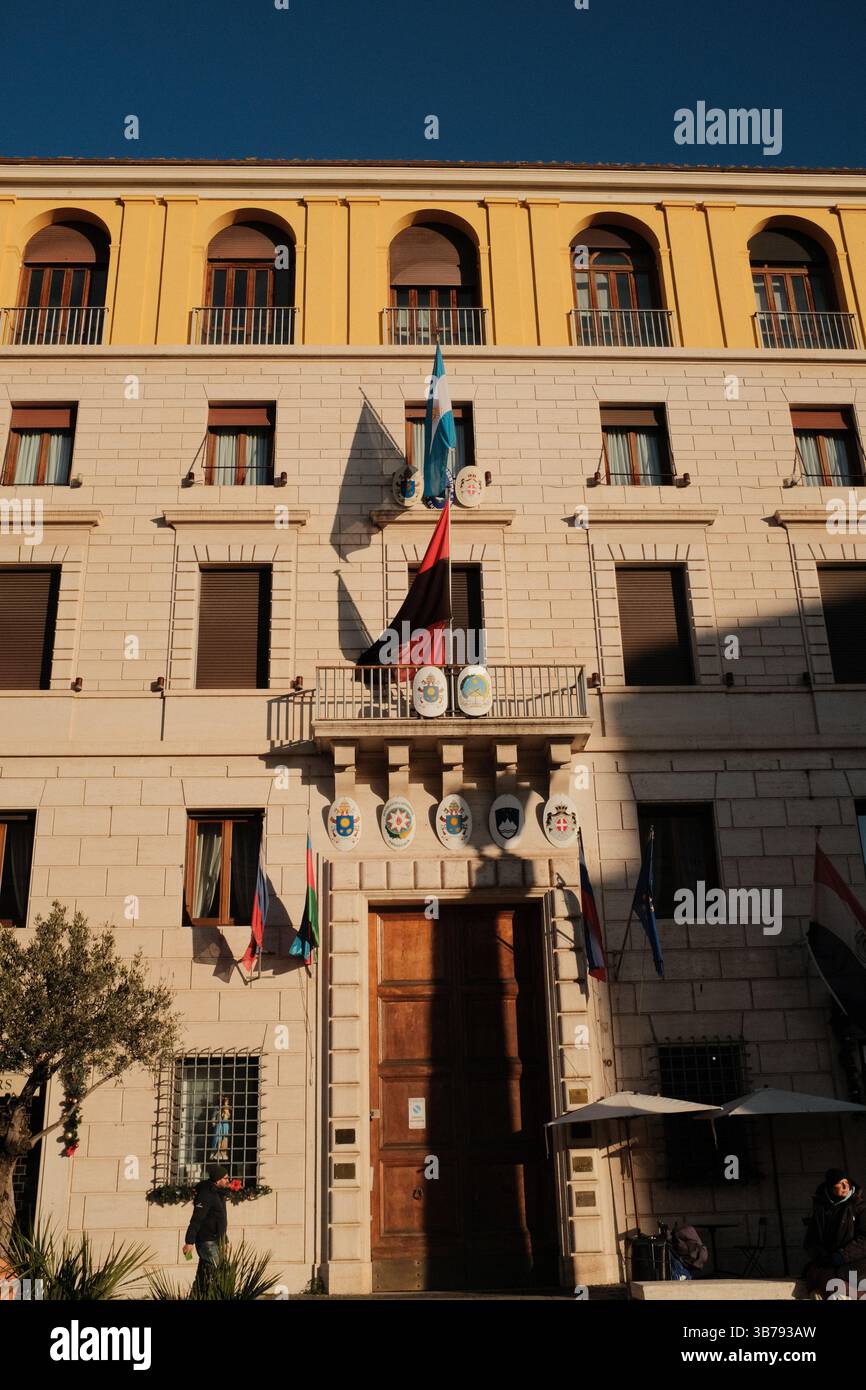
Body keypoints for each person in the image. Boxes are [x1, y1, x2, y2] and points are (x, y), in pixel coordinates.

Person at [803, 1167, 866, 1298]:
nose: (845, 1186)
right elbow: (811, 1240)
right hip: (829, 1263)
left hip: (855, 1263)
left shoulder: (860, 1207)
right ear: (831, 1188)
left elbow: (864, 1240)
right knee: (815, 1275)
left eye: (846, 1182)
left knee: (833, 1281)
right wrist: (822, 1257)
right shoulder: (821, 1209)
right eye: (840, 1184)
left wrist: (842, 1256)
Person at [183, 1162, 230, 1293]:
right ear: (218, 1179)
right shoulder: (206, 1194)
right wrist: (189, 1241)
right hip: (206, 1241)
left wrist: (224, 1240)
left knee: (204, 1274)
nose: (228, 1181)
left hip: (215, 1241)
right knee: (222, 1271)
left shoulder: (218, 1193)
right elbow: (196, 1219)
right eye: (226, 1178)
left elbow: (219, 1221)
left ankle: (196, 1296)